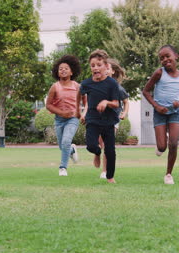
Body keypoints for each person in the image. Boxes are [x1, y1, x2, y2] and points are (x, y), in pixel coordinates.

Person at [142, 44, 179, 185]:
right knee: (162, 147)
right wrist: (156, 106)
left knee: (173, 143)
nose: (165, 59)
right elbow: (146, 91)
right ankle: (160, 146)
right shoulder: (159, 73)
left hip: (174, 113)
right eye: (162, 58)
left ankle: (168, 174)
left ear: (176, 56)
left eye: (168, 56)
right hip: (160, 112)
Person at [80, 49, 120, 184]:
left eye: (99, 65)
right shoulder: (86, 83)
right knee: (91, 145)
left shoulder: (112, 83)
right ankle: (97, 152)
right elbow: (79, 95)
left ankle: (110, 177)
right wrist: (78, 111)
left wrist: (106, 102)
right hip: (92, 119)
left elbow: (116, 103)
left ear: (105, 66)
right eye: (93, 65)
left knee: (110, 151)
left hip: (109, 121)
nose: (95, 68)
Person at [46, 55, 82, 176]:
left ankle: (63, 168)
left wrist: (82, 114)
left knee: (66, 141)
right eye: (60, 68)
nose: (63, 70)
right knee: (63, 146)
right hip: (59, 120)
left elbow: (86, 102)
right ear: (57, 72)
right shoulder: (54, 87)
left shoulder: (77, 86)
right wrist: (61, 113)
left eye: (66, 68)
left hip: (73, 119)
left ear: (72, 72)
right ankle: (72, 150)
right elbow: (48, 105)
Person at [99, 58, 129, 179]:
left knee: (107, 145)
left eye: (108, 68)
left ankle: (105, 171)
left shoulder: (117, 87)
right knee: (100, 144)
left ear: (113, 72)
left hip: (113, 119)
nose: (105, 70)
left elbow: (126, 102)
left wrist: (124, 113)